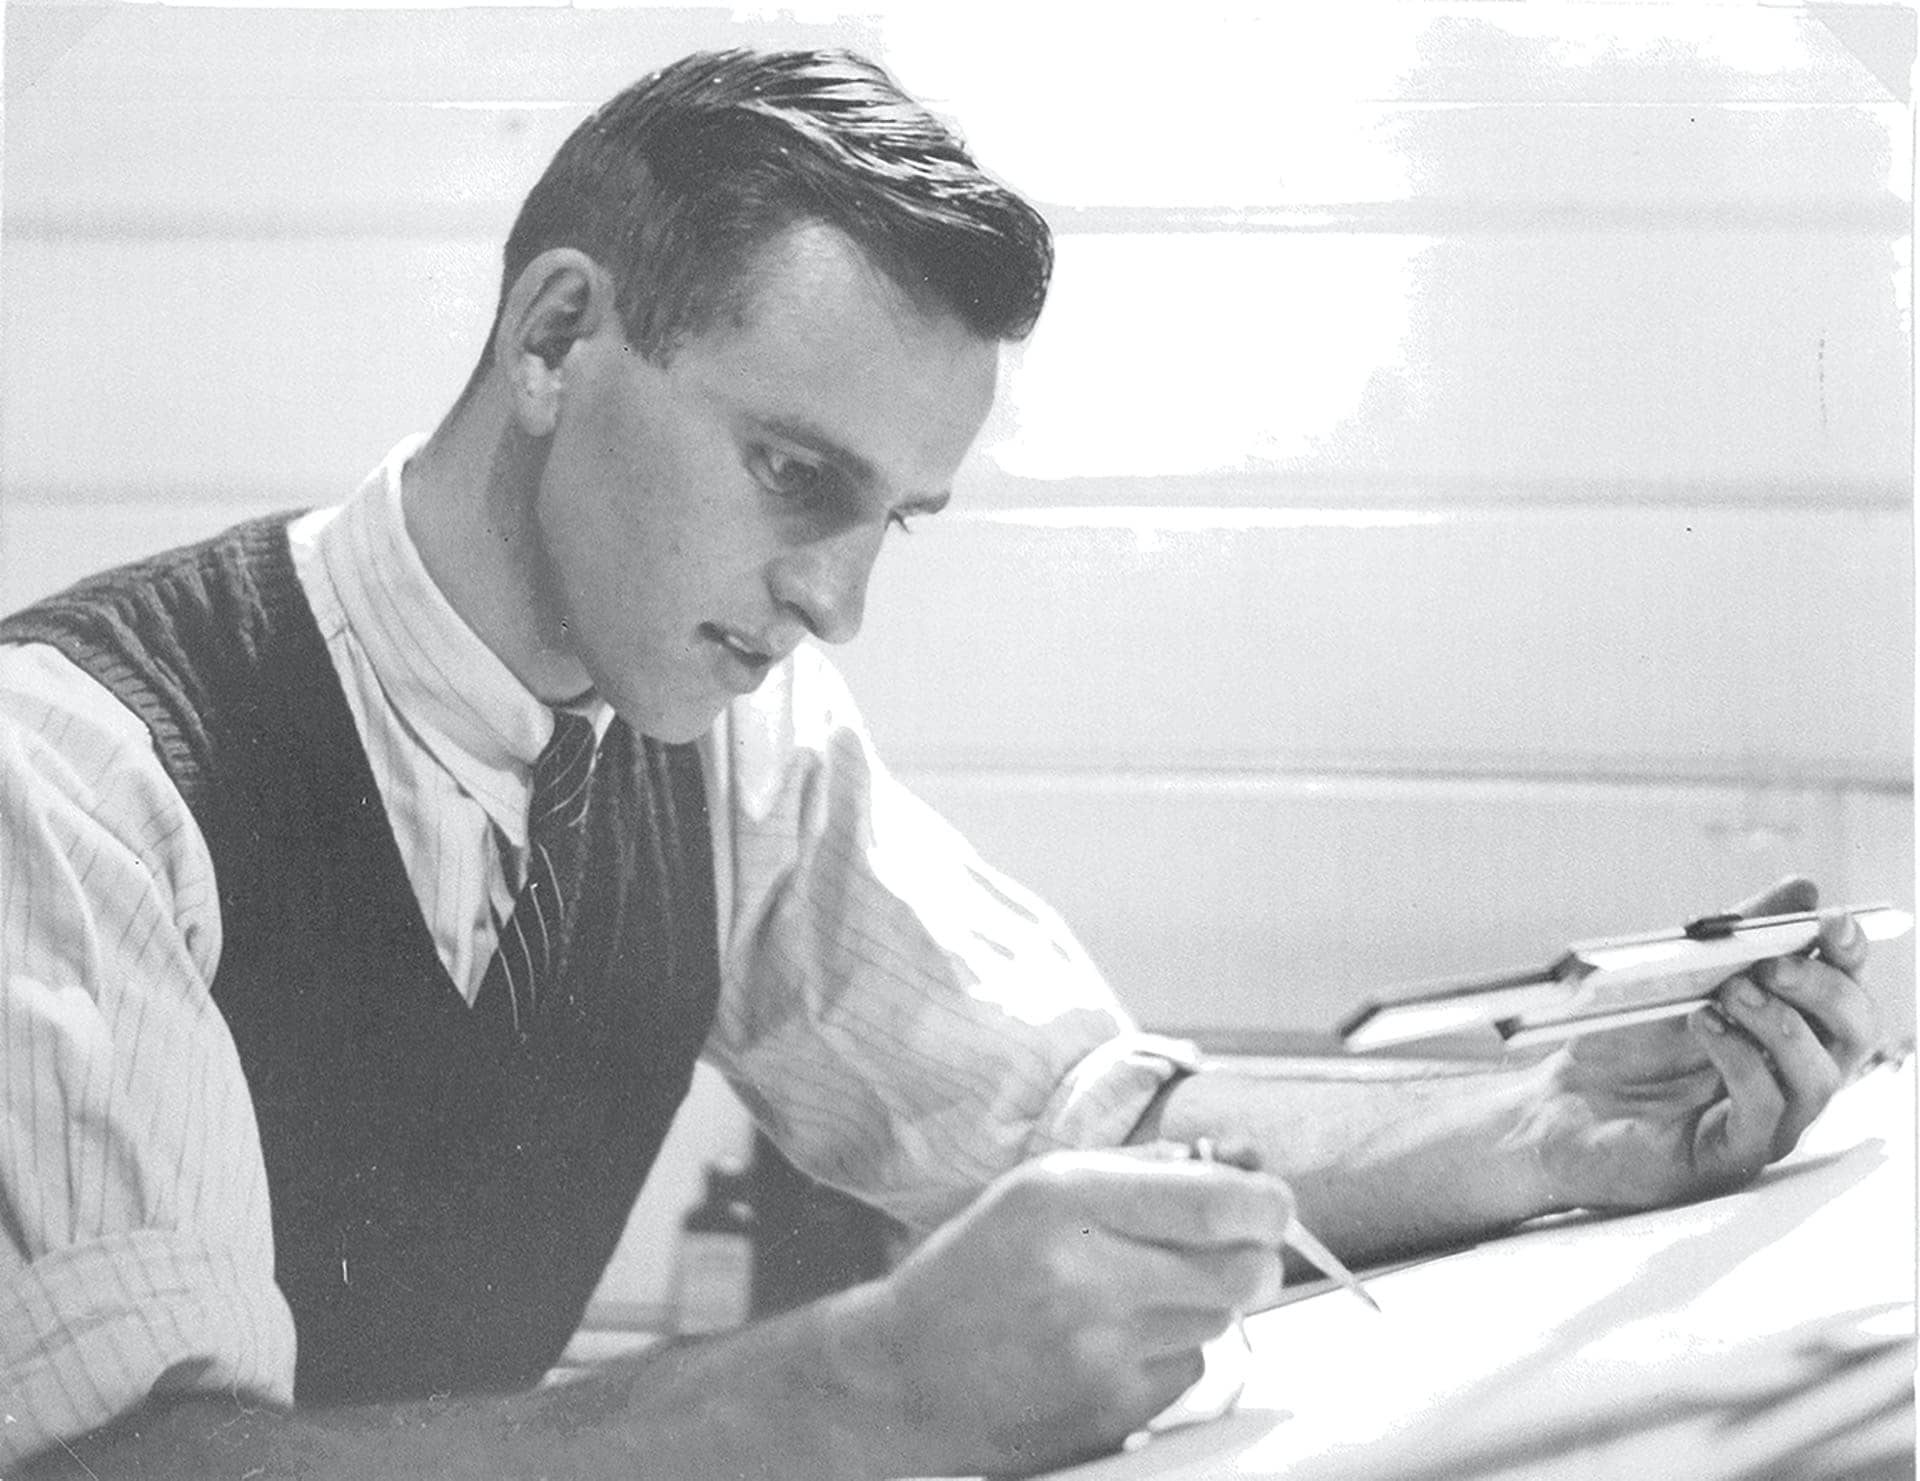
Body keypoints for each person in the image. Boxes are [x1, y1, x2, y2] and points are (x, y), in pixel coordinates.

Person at [0, 46, 1884, 1481]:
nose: (833, 603)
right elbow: (135, 1466)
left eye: (893, 519)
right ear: (560, 331)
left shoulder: (733, 723)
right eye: (795, 475)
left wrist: (1558, 1124)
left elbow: (1069, 1107)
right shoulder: (73, 772)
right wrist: (861, 1378)